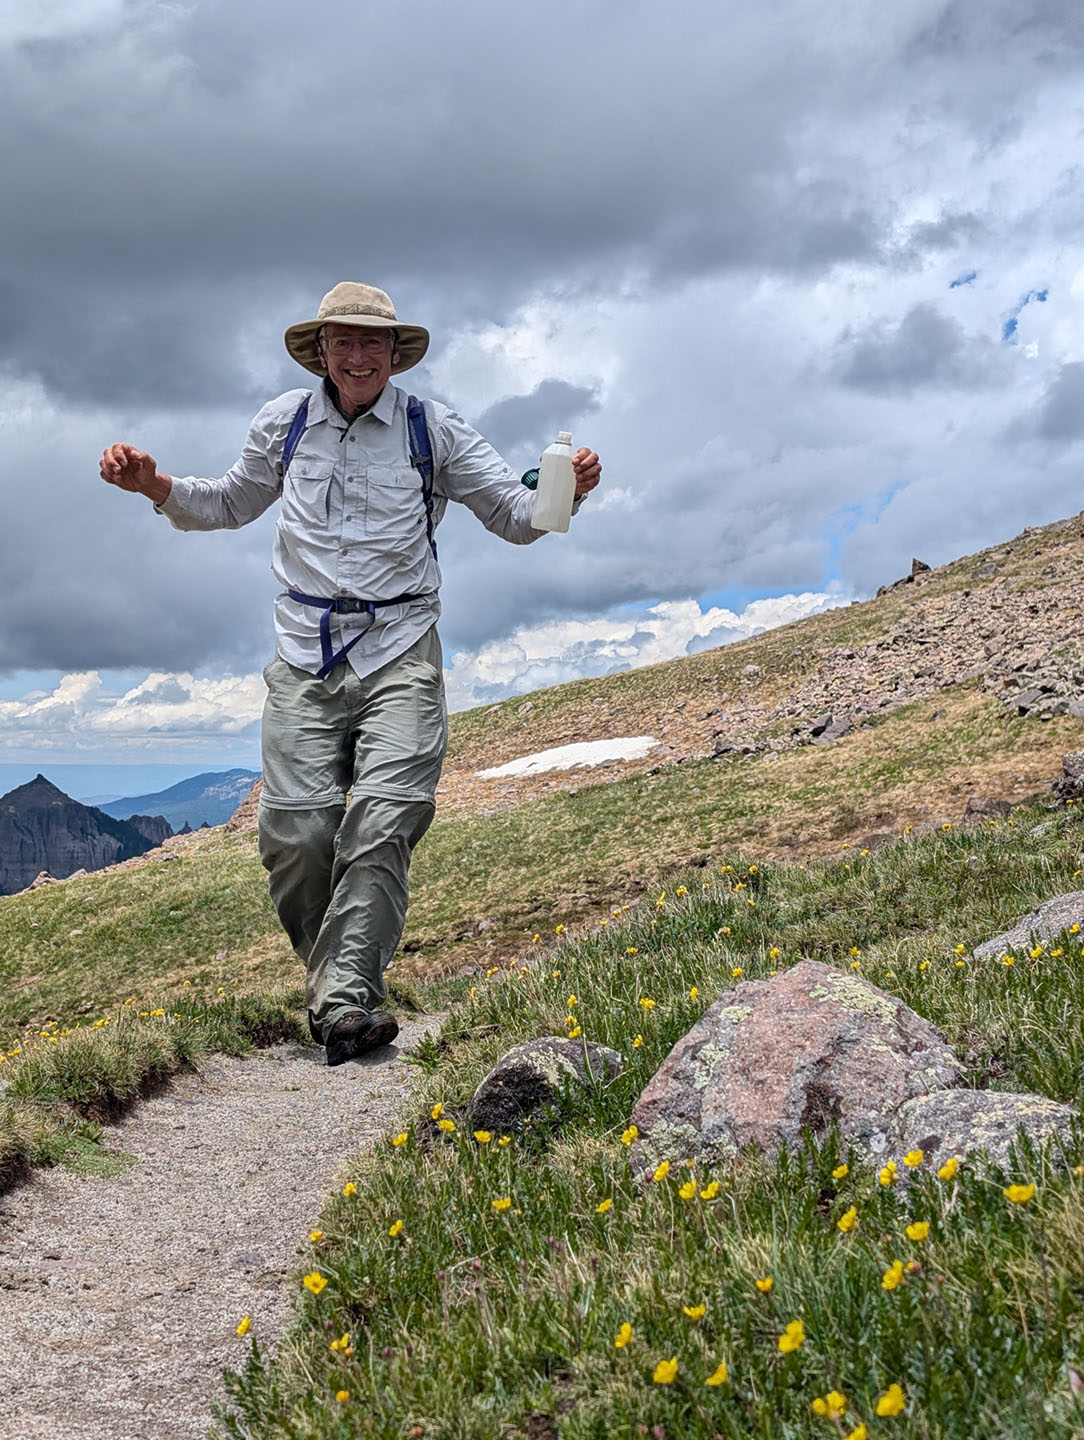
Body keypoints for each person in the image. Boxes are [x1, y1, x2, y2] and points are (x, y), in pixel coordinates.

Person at [100, 282, 602, 1066]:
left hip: (402, 644)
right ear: (322, 351)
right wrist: (153, 486)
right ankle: (345, 985)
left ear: (395, 353)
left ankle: (341, 1007)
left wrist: (565, 485)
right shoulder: (285, 423)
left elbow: (514, 514)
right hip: (303, 650)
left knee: (385, 816)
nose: (359, 356)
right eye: (344, 341)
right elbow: (231, 502)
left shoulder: (430, 427)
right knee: (294, 833)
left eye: (374, 343)